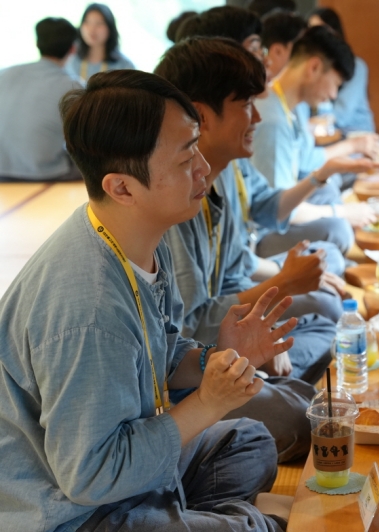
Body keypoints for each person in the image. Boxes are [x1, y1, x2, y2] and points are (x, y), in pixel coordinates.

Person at [0, 68, 294, 531]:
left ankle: (186, 518)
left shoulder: (132, 237)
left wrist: (218, 357)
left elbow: (160, 349)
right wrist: (208, 403)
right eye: (183, 159)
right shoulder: (87, 306)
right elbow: (90, 477)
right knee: (261, 526)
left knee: (248, 441)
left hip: (123, 478)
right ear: (122, 187)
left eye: (196, 145)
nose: (202, 167)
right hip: (73, 512)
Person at [155, 37, 338, 392]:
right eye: (247, 103)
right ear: (201, 116)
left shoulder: (219, 177)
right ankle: (280, 390)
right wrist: (282, 285)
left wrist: (262, 331)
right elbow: (189, 328)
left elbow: (235, 269)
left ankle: (279, 386)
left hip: (226, 343)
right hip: (196, 371)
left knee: (325, 325)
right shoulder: (177, 200)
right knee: (296, 411)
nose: (257, 116)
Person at [175, 6, 349, 293]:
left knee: (326, 265)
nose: (266, 60)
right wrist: (285, 281)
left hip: (243, 266)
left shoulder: (226, 151)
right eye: (256, 48)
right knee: (326, 285)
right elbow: (193, 322)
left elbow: (253, 225)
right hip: (245, 265)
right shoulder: (194, 174)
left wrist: (323, 174)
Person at [251, 25, 379, 255]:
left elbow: (304, 164)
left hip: (279, 212)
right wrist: (339, 212)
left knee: (329, 191)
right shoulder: (273, 122)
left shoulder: (291, 107)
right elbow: (278, 210)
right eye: (336, 85)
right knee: (338, 230)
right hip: (260, 235)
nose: (332, 95)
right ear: (314, 67)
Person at [0, 18, 83, 182]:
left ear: (37, 44)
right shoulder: (74, 86)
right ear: (73, 49)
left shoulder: (4, 73)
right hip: (45, 173)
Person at [307, 7, 375, 133]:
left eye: (320, 29)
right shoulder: (312, 66)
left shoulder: (356, 66)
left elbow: (341, 114)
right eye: (311, 29)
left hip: (356, 136)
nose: (314, 36)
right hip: (326, 136)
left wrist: (307, 125)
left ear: (335, 33)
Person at [66, 3, 135, 81]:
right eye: (87, 22)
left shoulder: (124, 66)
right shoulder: (69, 55)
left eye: (99, 23)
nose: (92, 29)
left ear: (110, 28)